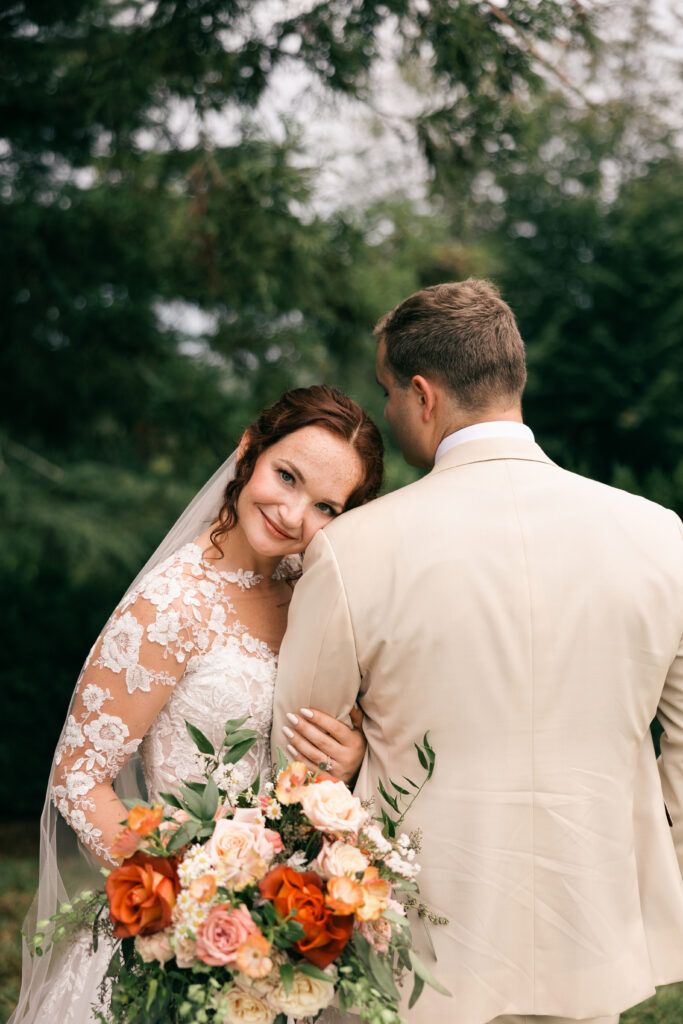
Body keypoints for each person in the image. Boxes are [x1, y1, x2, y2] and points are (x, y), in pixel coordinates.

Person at [275, 278, 683, 1024]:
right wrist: (662, 898)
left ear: (422, 395)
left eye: (387, 391)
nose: (390, 409)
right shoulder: (662, 538)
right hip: (594, 935)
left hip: (414, 952)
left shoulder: (351, 550)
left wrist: (363, 761)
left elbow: (296, 754)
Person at [11, 384, 384, 1024]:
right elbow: (78, 778)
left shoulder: (316, 599)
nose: (294, 514)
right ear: (248, 451)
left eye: (325, 505)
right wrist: (184, 908)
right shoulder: (171, 604)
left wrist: (350, 759)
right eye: (285, 475)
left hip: (294, 934)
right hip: (182, 937)